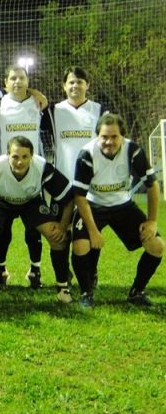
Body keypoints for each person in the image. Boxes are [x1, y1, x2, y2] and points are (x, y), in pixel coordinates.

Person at [0, 136, 73, 306]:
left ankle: (63, 288)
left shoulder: (43, 167)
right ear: (7, 154)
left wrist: (62, 226)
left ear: (32, 156)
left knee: (56, 237)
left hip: (30, 202)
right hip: (0, 201)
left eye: (25, 157)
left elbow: (69, 197)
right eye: (15, 156)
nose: (20, 162)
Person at [72, 113, 164, 308]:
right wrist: (93, 231)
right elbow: (79, 196)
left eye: (114, 136)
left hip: (123, 206)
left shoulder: (133, 151)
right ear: (97, 136)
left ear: (122, 136)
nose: (109, 142)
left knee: (157, 246)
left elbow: (152, 185)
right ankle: (86, 293)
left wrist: (152, 221)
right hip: (93, 206)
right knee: (81, 245)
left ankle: (137, 293)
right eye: (104, 136)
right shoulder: (86, 155)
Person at [44, 66, 109, 287]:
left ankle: (91, 272)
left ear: (87, 85)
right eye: (71, 82)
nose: (75, 86)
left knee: (90, 231)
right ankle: (64, 277)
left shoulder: (99, 111)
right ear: (64, 86)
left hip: (90, 185)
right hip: (61, 184)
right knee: (59, 233)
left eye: (80, 81)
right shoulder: (53, 111)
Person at [0, 64, 47, 290]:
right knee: (3, 228)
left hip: (33, 174)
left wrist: (36, 94)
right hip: (5, 174)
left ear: (28, 81)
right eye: (13, 78)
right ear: (5, 83)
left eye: (22, 78)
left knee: (34, 227)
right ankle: (1, 270)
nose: (17, 82)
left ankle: (35, 270)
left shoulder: (38, 104)